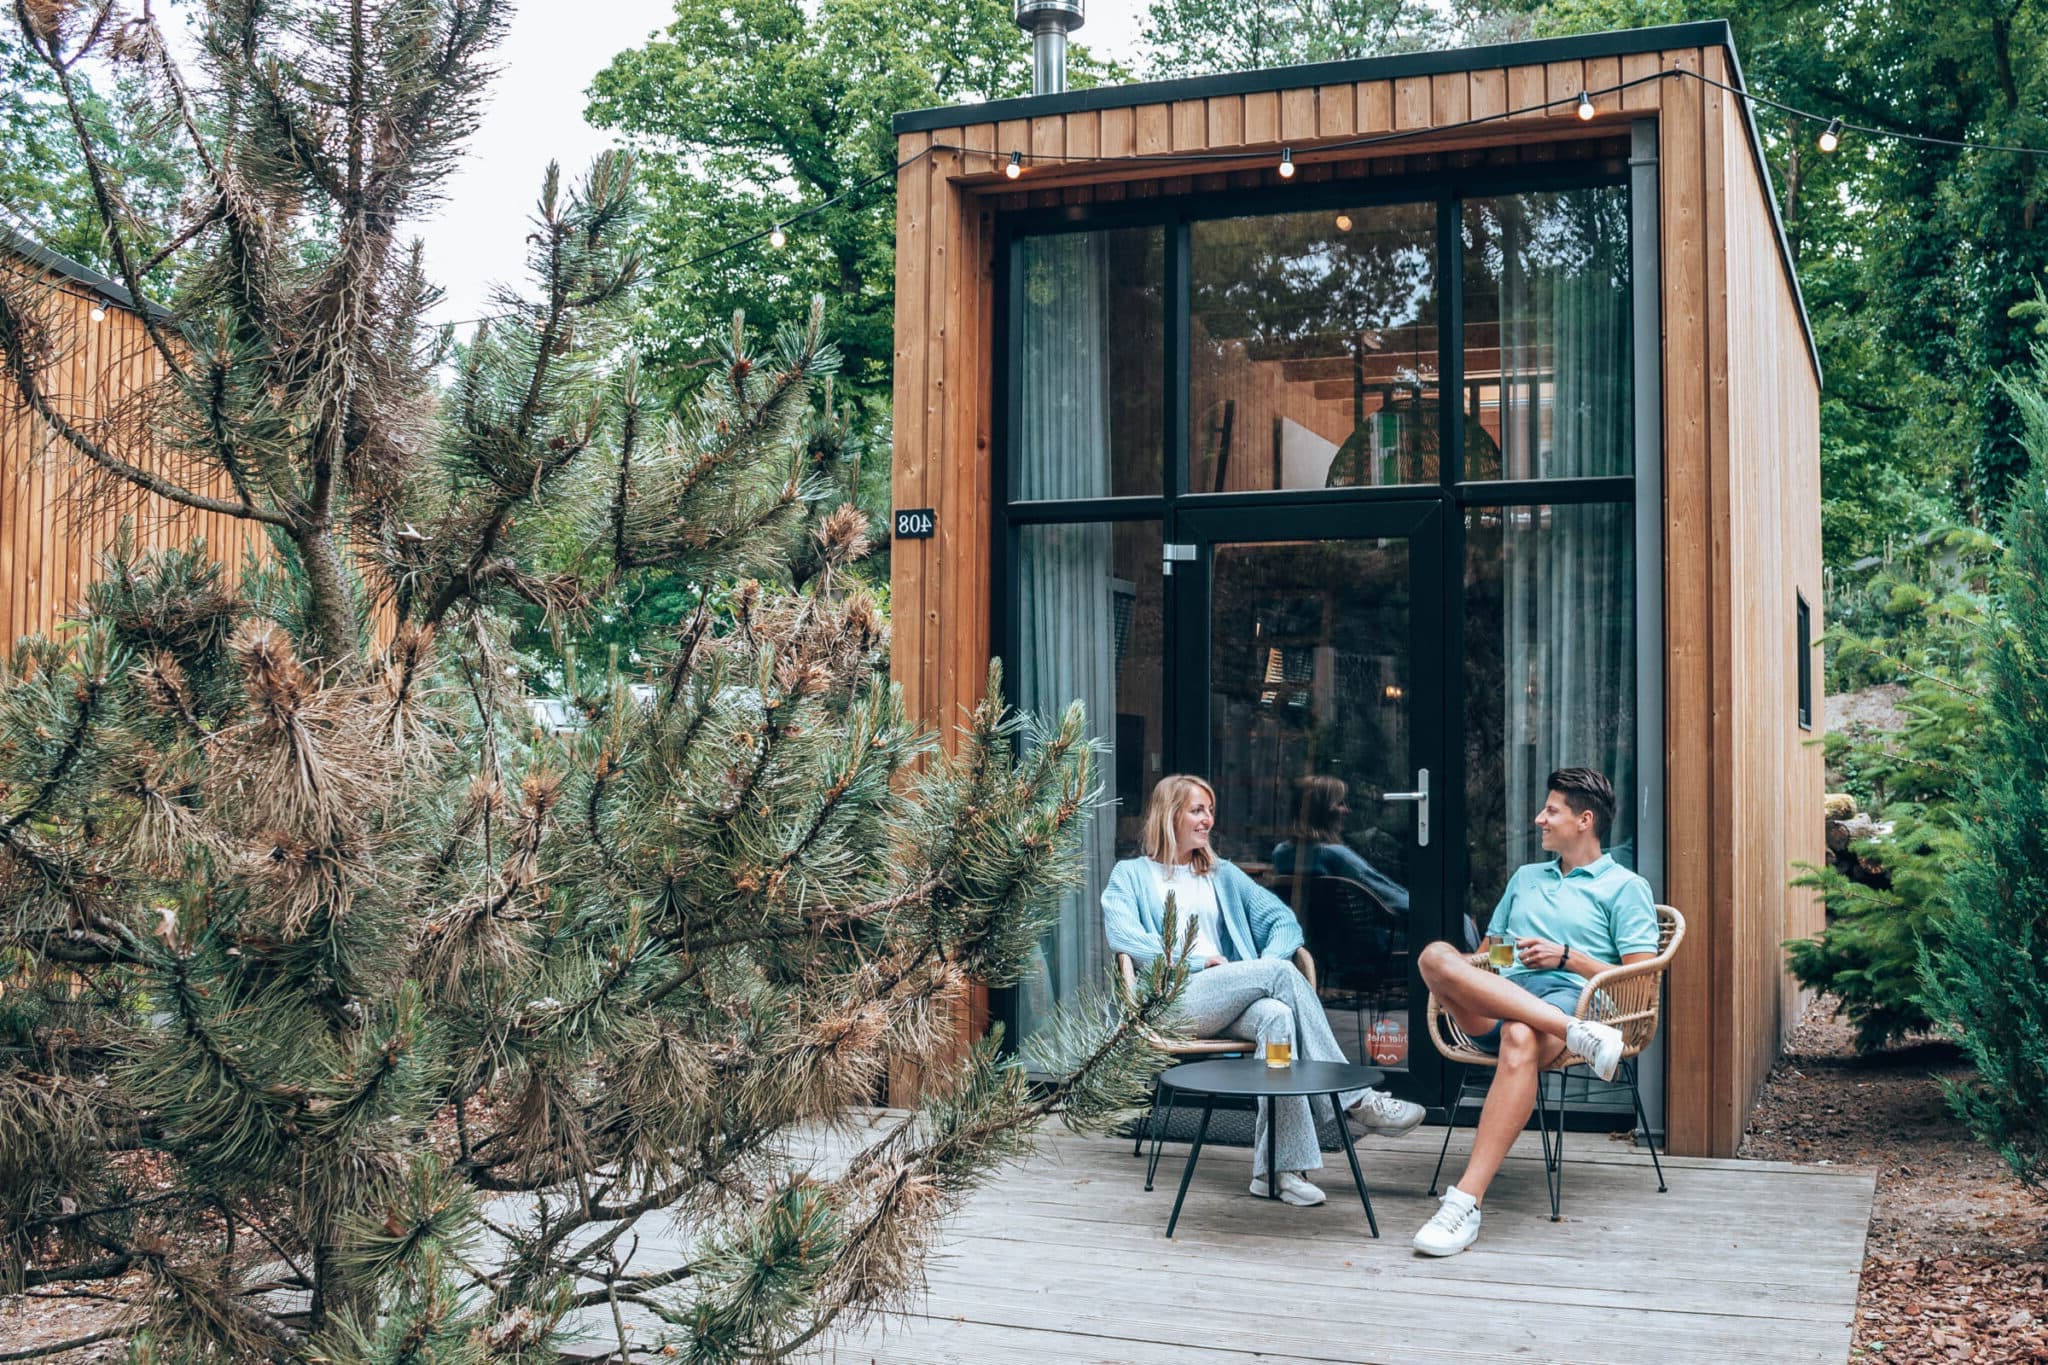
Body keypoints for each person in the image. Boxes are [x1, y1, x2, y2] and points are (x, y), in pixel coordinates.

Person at [1102, 774, 1426, 1208]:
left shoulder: (1221, 874)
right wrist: (1196, 962)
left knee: (1277, 1015)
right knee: (1276, 980)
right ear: (1170, 814)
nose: (1208, 820)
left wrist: (1263, 965)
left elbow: (1283, 924)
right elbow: (1125, 938)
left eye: (1210, 811)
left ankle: (1277, 1171)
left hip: (1228, 994)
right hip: (1172, 998)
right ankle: (1355, 1098)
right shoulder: (1131, 875)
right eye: (1198, 810)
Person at [1410, 767, 1658, 1256]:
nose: (1539, 818)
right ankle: (1576, 1034)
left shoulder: (1624, 887)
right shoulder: (1526, 878)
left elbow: (1640, 982)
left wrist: (1566, 957)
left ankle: (1463, 1203)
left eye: (1552, 811)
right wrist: (1472, 967)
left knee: (1520, 1036)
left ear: (1585, 820)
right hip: (1508, 1002)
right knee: (1434, 955)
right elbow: (1489, 954)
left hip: (1574, 997)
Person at [1269, 774, 1411, 913]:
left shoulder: (1280, 853)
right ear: (1322, 811)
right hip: (1360, 935)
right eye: (1340, 803)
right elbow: (1384, 891)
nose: (1347, 810)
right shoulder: (1334, 855)